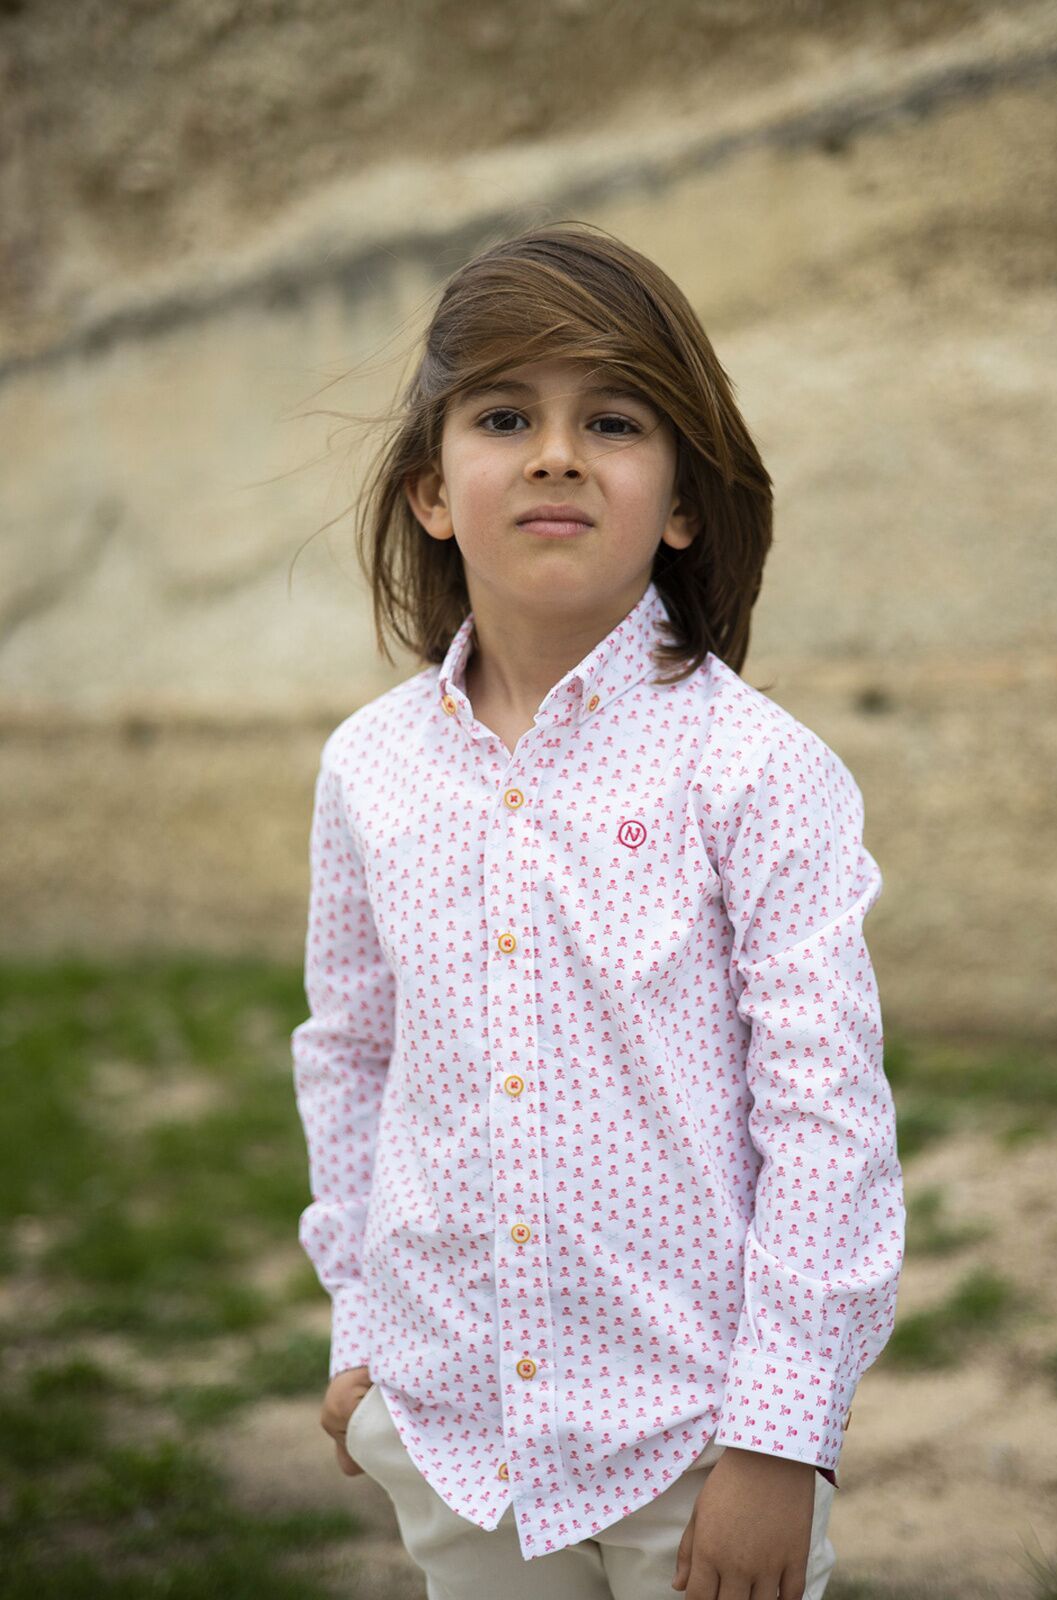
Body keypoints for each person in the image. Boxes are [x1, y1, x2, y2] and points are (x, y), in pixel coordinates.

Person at [290, 219, 906, 1600]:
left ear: (681, 500)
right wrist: (360, 1337)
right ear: (432, 490)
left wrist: (778, 1440)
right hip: (452, 1429)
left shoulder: (756, 770)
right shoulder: (369, 771)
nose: (557, 452)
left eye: (613, 419)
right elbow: (351, 1054)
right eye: (506, 414)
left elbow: (827, 1119)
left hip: (694, 1444)